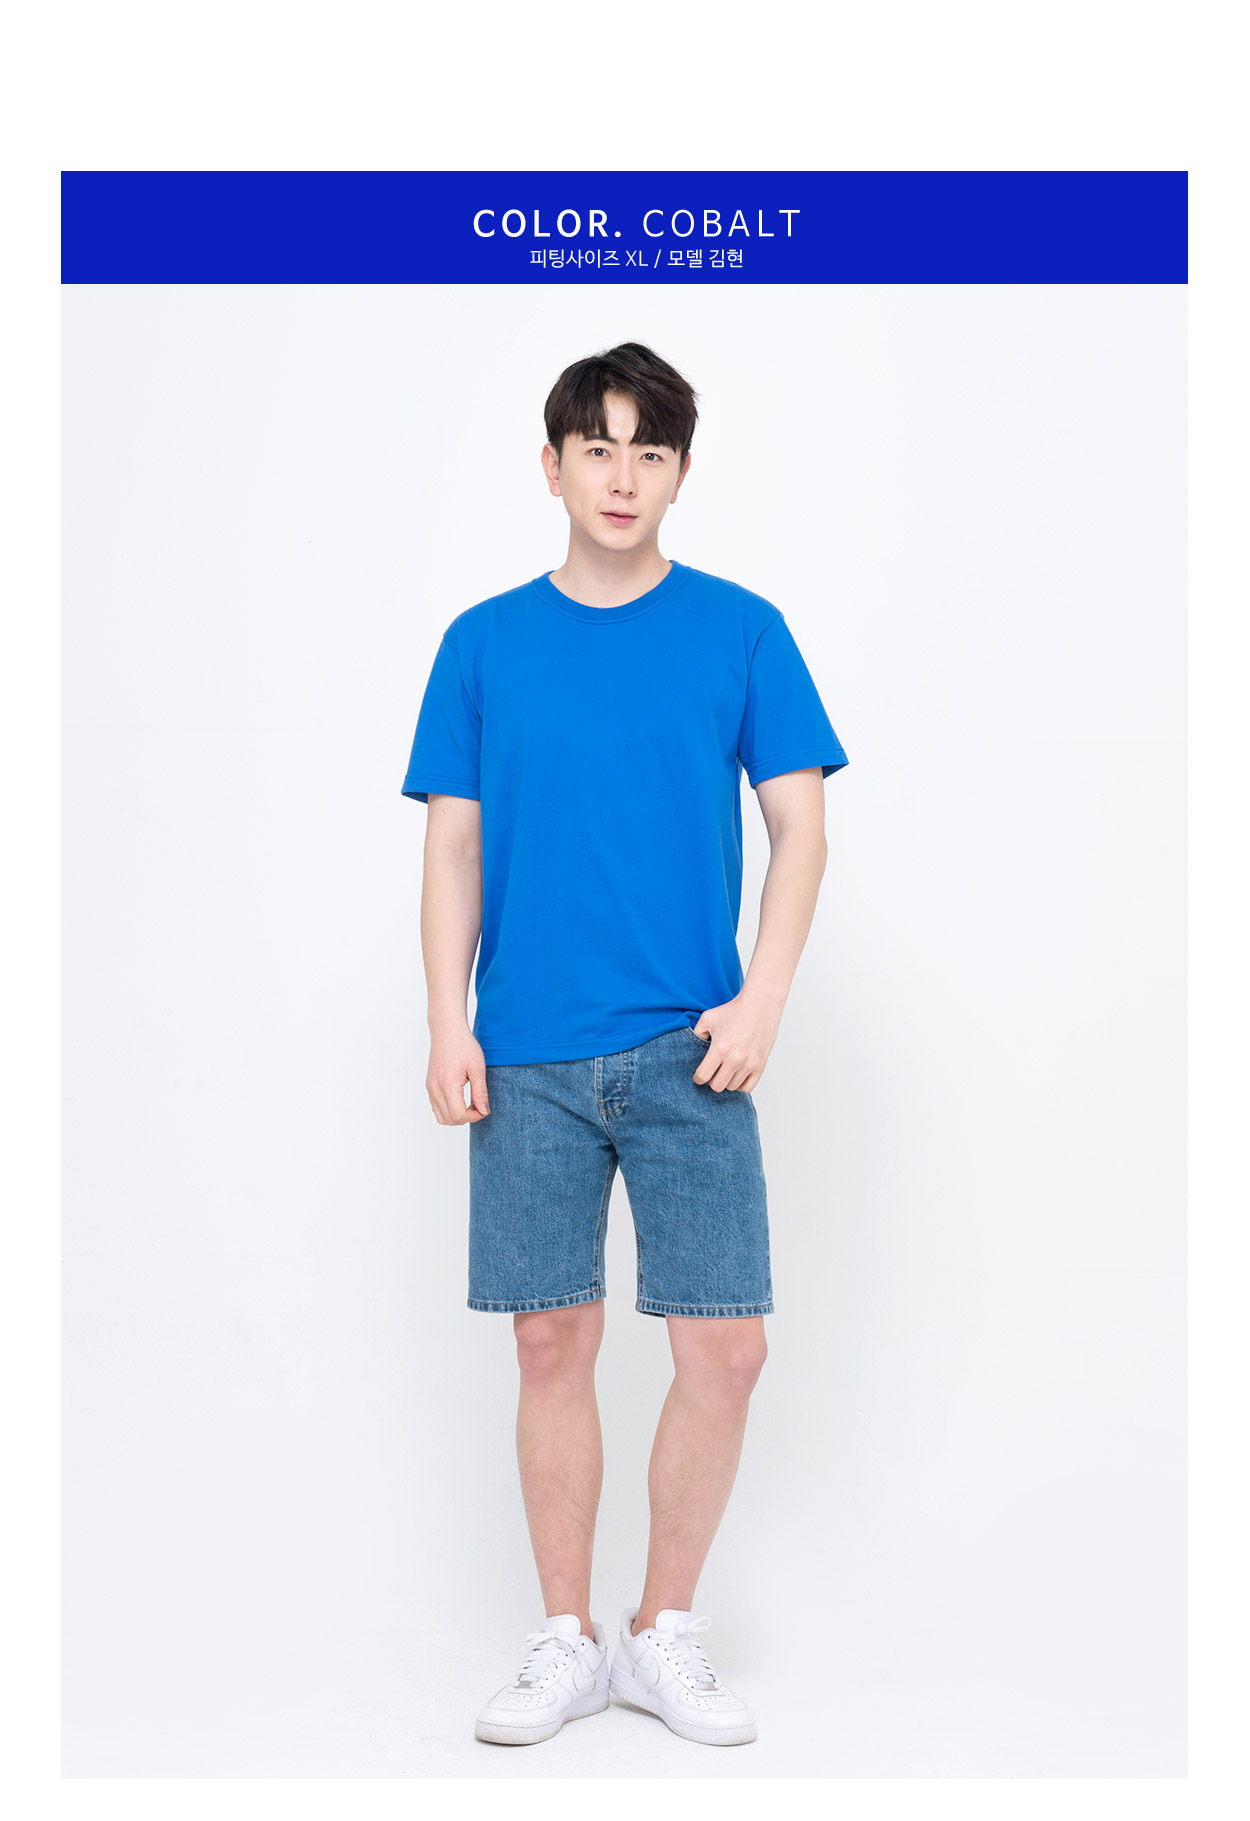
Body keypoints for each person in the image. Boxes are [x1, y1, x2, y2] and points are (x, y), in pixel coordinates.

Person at [401, 342, 848, 1748]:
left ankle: (662, 1633)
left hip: (688, 1049)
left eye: (649, 451)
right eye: (596, 447)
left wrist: (763, 995)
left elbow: (800, 826)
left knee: (727, 1347)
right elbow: (453, 846)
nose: (621, 475)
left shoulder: (741, 630)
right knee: (551, 1340)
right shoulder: (483, 642)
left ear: (680, 474)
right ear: (551, 465)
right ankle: (565, 1640)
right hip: (527, 1054)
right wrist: (447, 1017)